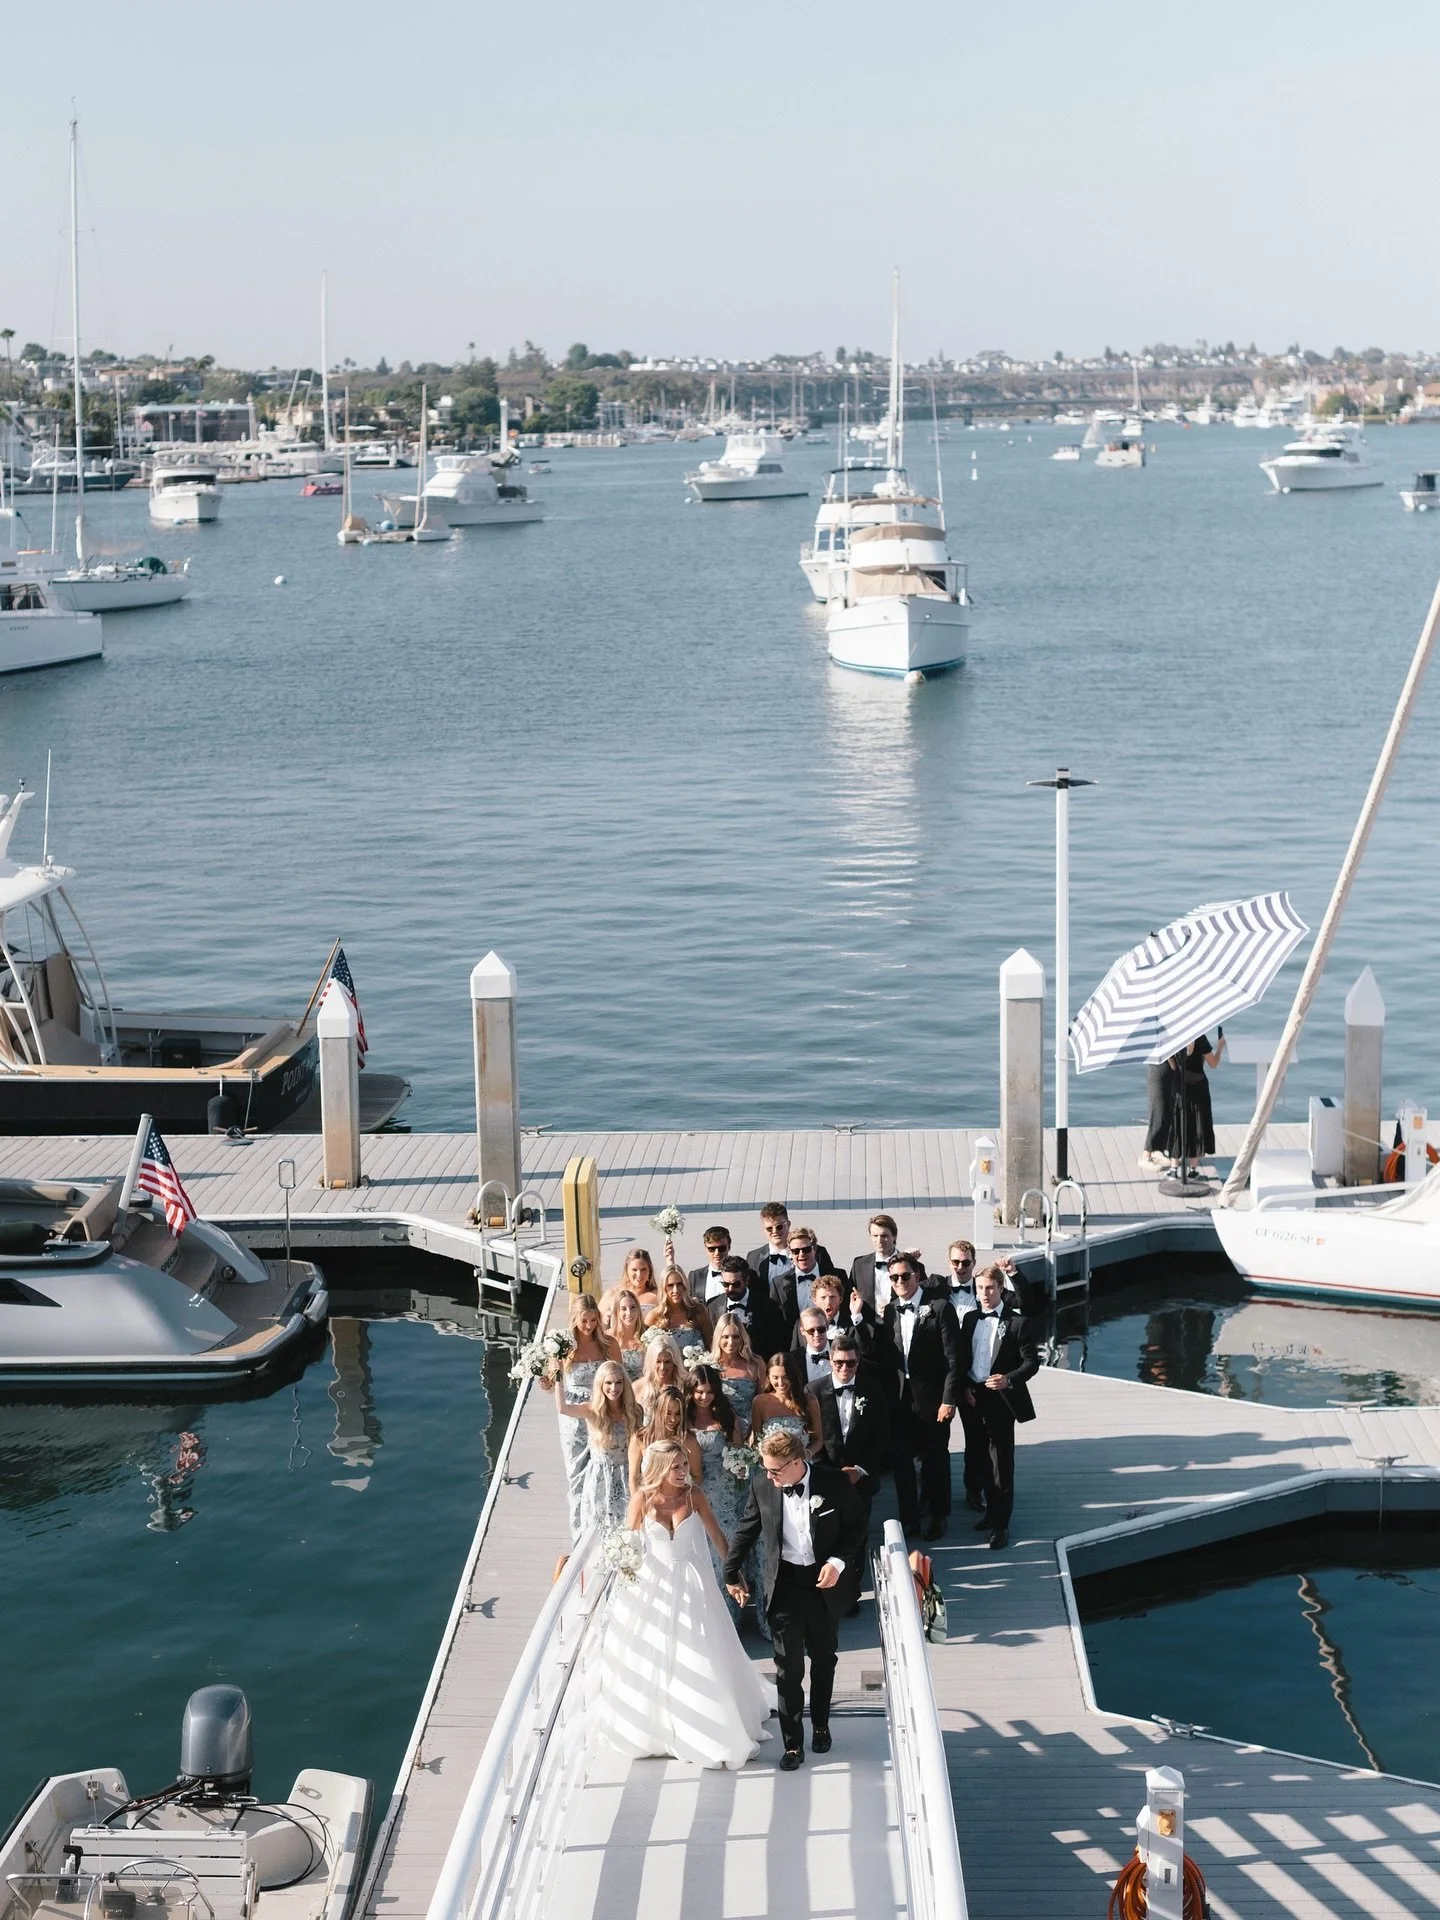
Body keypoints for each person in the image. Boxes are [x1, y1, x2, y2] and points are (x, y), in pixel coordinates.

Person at [598, 1440, 773, 1771]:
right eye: (676, 1466)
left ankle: (709, 1726)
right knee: (655, 1652)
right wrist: (624, 1567)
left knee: (698, 1650)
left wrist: (732, 1575)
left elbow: (718, 1537)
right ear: (661, 1468)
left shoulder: (695, 1497)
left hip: (693, 1585)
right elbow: (628, 1543)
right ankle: (659, 1727)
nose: (684, 1471)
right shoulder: (642, 1500)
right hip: (652, 1586)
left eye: (684, 1465)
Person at [724, 1425, 865, 1770]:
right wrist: (730, 1571)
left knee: (823, 1658)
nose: (769, 1476)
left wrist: (837, 1562)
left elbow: (857, 1526)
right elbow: (746, 1529)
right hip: (784, 1585)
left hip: (824, 1584)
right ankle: (792, 1746)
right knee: (788, 1669)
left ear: (797, 1461)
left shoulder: (833, 1483)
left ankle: (820, 1725)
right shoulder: (763, 1486)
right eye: (766, 1469)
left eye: (774, 1470)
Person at [957, 1263, 1040, 1551]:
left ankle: (1001, 1524)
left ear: (1001, 1290)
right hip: (973, 1398)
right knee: (979, 1457)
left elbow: (1032, 1363)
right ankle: (990, 1512)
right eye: (980, 1288)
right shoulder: (969, 1320)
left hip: (1001, 1399)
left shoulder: (1017, 1323)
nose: (984, 1294)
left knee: (1001, 1464)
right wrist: (965, 1387)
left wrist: (1008, 1379)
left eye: (990, 1288)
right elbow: (964, 1360)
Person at [879, 1253, 960, 1542]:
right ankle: (909, 1517)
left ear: (917, 1276)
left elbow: (954, 1359)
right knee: (901, 1461)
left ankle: (939, 1515)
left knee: (935, 1458)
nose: (900, 1282)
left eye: (905, 1276)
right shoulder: (889, 1311)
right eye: (894, 1277)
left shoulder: (939, 1308)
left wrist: (949, 1400)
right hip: (900, 1401)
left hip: (933, 1399)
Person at [812, 1332, 890, 1615]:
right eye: (839, 1363)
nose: (845, 1369)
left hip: (860, 1479)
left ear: (858, 1361)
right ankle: (826, 1592)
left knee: (856, 1537)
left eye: (851, 1363)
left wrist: (860, 1469)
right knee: (824, 1536)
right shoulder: (814, 1390)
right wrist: (830, 1473)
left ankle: (850, 1594)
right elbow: (811, 1436)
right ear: (830, 1360)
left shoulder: (873, 1389)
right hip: (825, 1477)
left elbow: (882, 1436)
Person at [538, 1292, 621, 1538]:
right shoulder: (562, 1346)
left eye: (593, 1320)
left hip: (601, 1411)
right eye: (584, 1321)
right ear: (574, 1319)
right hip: (573, 1416)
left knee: (606, 1468)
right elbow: (552, 1385)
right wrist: (546, 1379)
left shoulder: (608, 1344)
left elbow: (619, 1377)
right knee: (577, 1474)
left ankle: (607, 1529)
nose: (588, 1326)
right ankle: (580, 1535)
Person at [686, 1363, 750, 1621]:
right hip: (693, 1491)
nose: (704, 1396)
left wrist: (740, 1466)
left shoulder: (726, 1416)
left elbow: (739, 1450)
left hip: (724, 1491)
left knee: (725, 1547)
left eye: (710, 1391)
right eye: (699, 1391)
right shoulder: (683, 1417)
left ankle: (729, 1618)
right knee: (699, 1551)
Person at [555, 1358, 643, 1540]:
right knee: (600, 1531)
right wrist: (558, 1378)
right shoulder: (592, 1410)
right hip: (600, 1478)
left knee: (628, 1529)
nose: (614, 1388)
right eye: (609, 1383)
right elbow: (563, 1409)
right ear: (600, 1384)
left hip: (628, 1475)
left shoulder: (635, 1411)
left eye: (619, 1382)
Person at [1161, 1032, 1225, 1173]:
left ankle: (1174, 1169)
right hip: (1198, 1088)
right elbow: (1213, 1063)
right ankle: (1193, 1170)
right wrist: (1220, 1047)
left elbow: (1173, 1066)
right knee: (1196, 1125)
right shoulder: (1200, 1037)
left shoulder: (1172, 1038)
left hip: (1179, 1088)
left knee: (1177, 1124)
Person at [752, 1350, 823, 1457]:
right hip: (770, 1467)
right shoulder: (760, 1402)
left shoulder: (810, 1401)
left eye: (785, 1377)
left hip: (800, 1464)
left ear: (793, 1376)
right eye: (775, 1377)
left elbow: (818, 1440)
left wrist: (806, 1455)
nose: (780, 1383)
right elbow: (757, 1441)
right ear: (768, 1377)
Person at [631, 1382, 701, 1490]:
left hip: (680, 1502)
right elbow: (633, 1479)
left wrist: (683, 1496)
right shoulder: (640, 1438)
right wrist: (640, 1505)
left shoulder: (688, 1441)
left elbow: (697, 1476)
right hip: (649, 1500)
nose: (673, 1419)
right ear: (657, 1410)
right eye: (668, 1413)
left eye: (678, 1414)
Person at [715, 1254, 787, 1358]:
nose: (730, 1289)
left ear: (747, 1281)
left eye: (736, 1284)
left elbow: (776, 1345)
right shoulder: (713, 1306)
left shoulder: (768, 1306)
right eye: (725, 1284)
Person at [710, 1312, 768, 1435]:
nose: (731, 1342)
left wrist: (755, 1432)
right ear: (718, 1338)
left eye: (736, 1337)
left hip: (749, 1432)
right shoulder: (709, 1365)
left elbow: (763, 1402)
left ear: (742, 1337)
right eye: (725, 1337)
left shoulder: (755, 1364)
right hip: (717, 1430)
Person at [771, 1226, 832, 1333]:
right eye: (795, 1251)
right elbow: (775, 1322)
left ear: (814, 1249)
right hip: (794, 1345)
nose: (801, 1254)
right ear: (790, 1252)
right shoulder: (778, 1284)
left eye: (806, 1249)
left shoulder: (836, 1276)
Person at [645, 1267, 714, 1355]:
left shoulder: (698, 1311)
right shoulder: (654, 1316)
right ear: (663, 1288)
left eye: (679, 1284)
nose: (676, 1290)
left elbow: (711, 1345)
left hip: (696, 1367)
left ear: (685, 1285)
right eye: (670, 1285)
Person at [635, 1328, 685, 1417]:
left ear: (675, 1362)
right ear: (651, 1361)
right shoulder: (637, 1388)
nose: (662, 1367)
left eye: (667, 1362)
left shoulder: (685, 1386)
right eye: (658, 1361)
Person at [604, 1287, 649, 1380]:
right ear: (617, 1312)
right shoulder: (607, 1337)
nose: (629, 1313)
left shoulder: (648, 1334)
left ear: (638, 1310)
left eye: (633, 1307)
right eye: (623, 1309)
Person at [689, 1226, 739, 1304]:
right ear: (705, 1248)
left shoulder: (741, 1274)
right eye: (712, 1249)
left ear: (729, 1247)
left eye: (721, 1248)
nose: (717, 1253)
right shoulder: (694, 1276)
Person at [796, 1306, 835, 1386]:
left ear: (827, 1326)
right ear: (802, 1331)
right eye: (811, 1331)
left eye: (821, 1329)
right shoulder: (795, 1360)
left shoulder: (842, 1350)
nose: (816, 1334)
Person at [942, 1240, 978, 1312]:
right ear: (949, 1263)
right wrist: (913, 1261)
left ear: (973, 1263)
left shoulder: (982, 1288)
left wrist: (1007, 1272)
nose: (960, 1267)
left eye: (966, 1262)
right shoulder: (939, 1286)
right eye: (955, 1262)